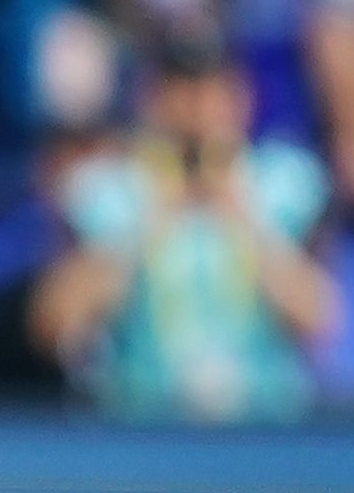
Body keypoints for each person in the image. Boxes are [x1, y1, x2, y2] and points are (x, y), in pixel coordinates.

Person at [33, 27, 340, 420]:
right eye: (180, 89)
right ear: (151, 98)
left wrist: (240, 218)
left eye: (210, 89)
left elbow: (320, 320)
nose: (195, 107)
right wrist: (149, 222)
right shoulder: (105, 189)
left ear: (240, 98)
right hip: (143, 422)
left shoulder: (285, 181)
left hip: (263, 423)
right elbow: (54, 322)